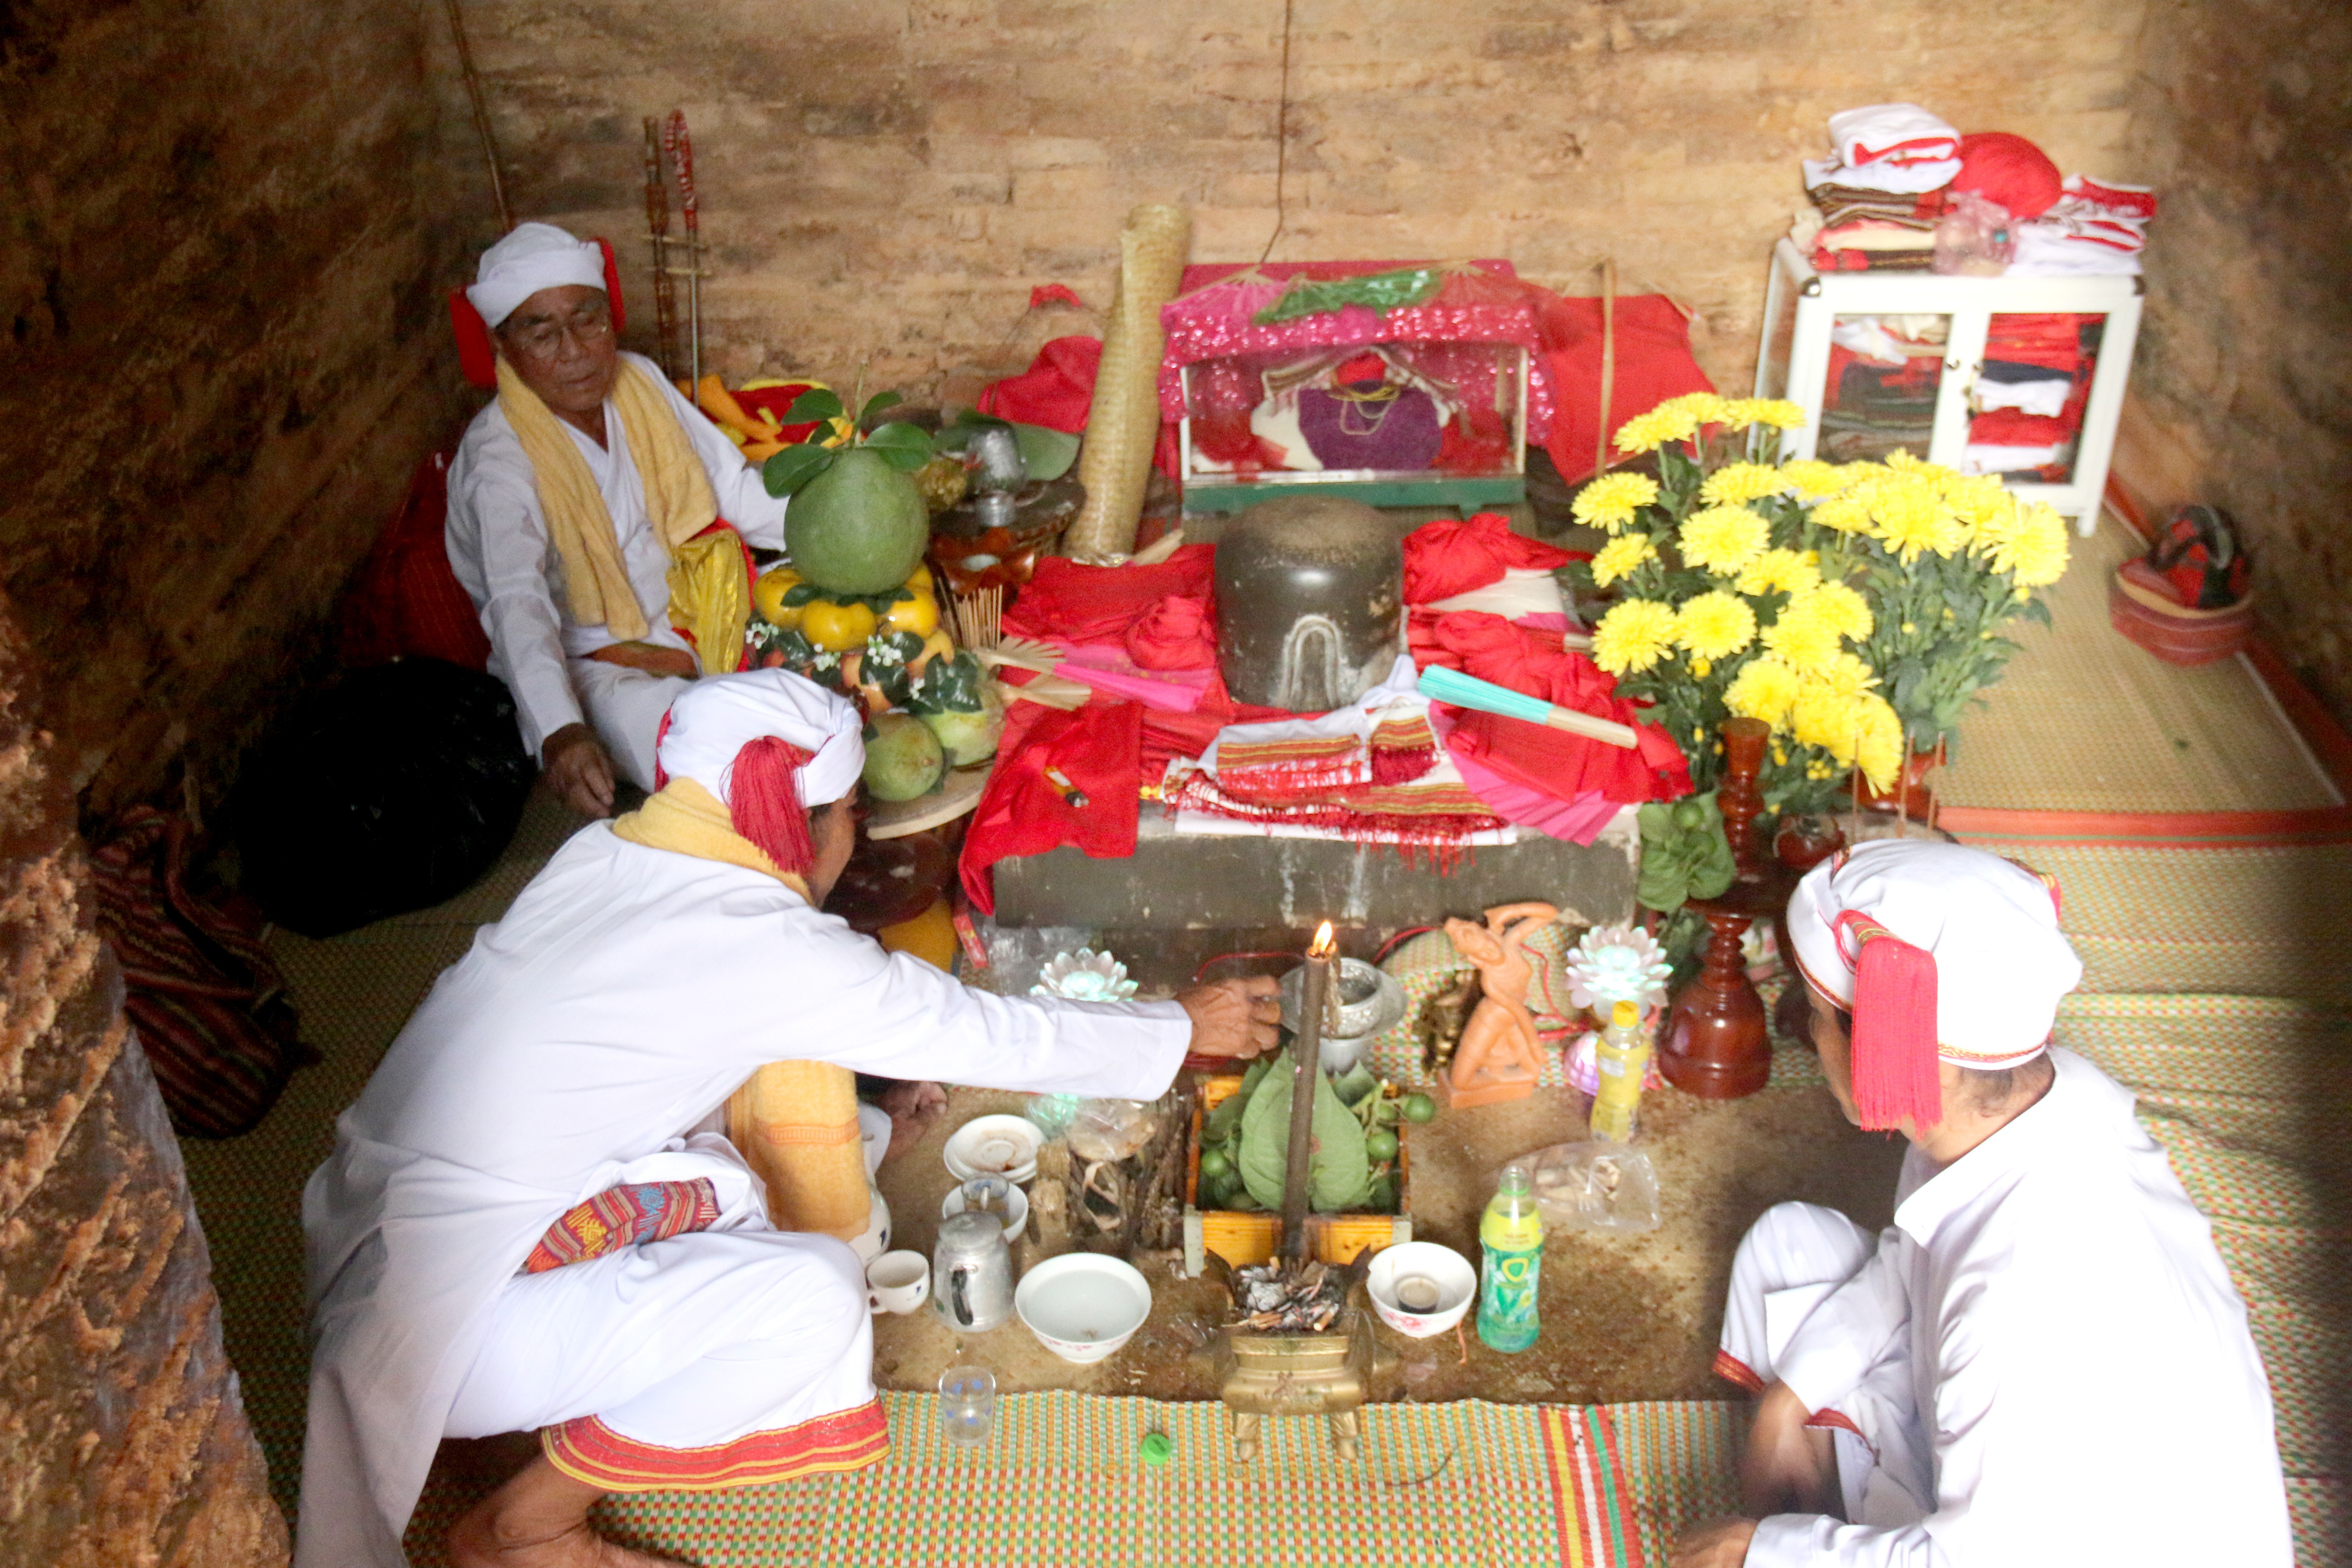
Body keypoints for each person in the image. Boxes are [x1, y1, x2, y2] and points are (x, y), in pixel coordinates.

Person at [296, 670, 1282, 1568]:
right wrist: (1176, 1026)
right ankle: (528, 1526)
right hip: (444, 1325)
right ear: (798, 817)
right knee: (812, 1299)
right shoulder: (758, 942)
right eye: (852, 812)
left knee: (814, 1144)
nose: (854, 836)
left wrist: (879, 1101)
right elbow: (981, 1033)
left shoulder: (609, 853)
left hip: (376, 1225)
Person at [1674, 839, 2292, 1568]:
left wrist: (1765, 1552)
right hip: (2002, 1482)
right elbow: (1910, 1261)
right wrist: (1790, 1398)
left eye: (1816, 1015)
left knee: (1759, 1549)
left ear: (1883, 1042)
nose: (1810, 1037)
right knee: (1787, 1250)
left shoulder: (2019, 1294)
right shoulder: (2025, 1099)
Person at [447, 221, 788, 818]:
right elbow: (516, 604)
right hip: (598, 670)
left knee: (854, 673)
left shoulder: (639, 382)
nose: (575, 351)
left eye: (587, 320)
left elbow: (731, 490)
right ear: (504, 346)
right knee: (722, 773)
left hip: (699, 618)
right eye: (541, 332)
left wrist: (844, 530)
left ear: (611, 319)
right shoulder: (498, 460)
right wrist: (560, 731)